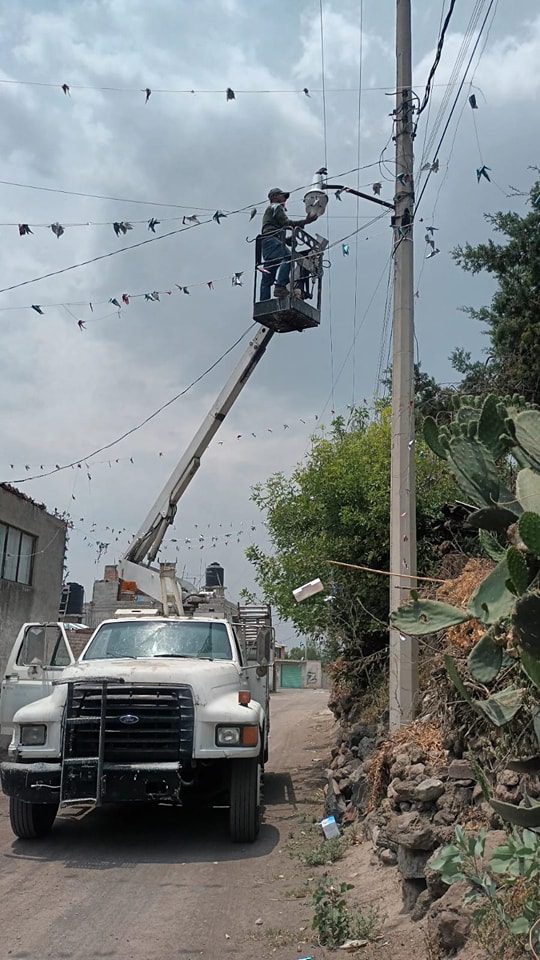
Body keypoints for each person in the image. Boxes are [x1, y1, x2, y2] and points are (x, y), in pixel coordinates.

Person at [260, 188, 317, 300]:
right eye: (283, 196)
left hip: (266, 243)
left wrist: (287, 240)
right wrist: (305, 221)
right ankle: (280, 286)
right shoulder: (276, 207)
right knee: (289, 257)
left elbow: (276, 229)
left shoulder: (271, 210)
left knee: (267, 275)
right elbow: (287, 224)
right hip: (272, 240)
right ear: (274, 197)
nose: (285, 199)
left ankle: (264, 302)